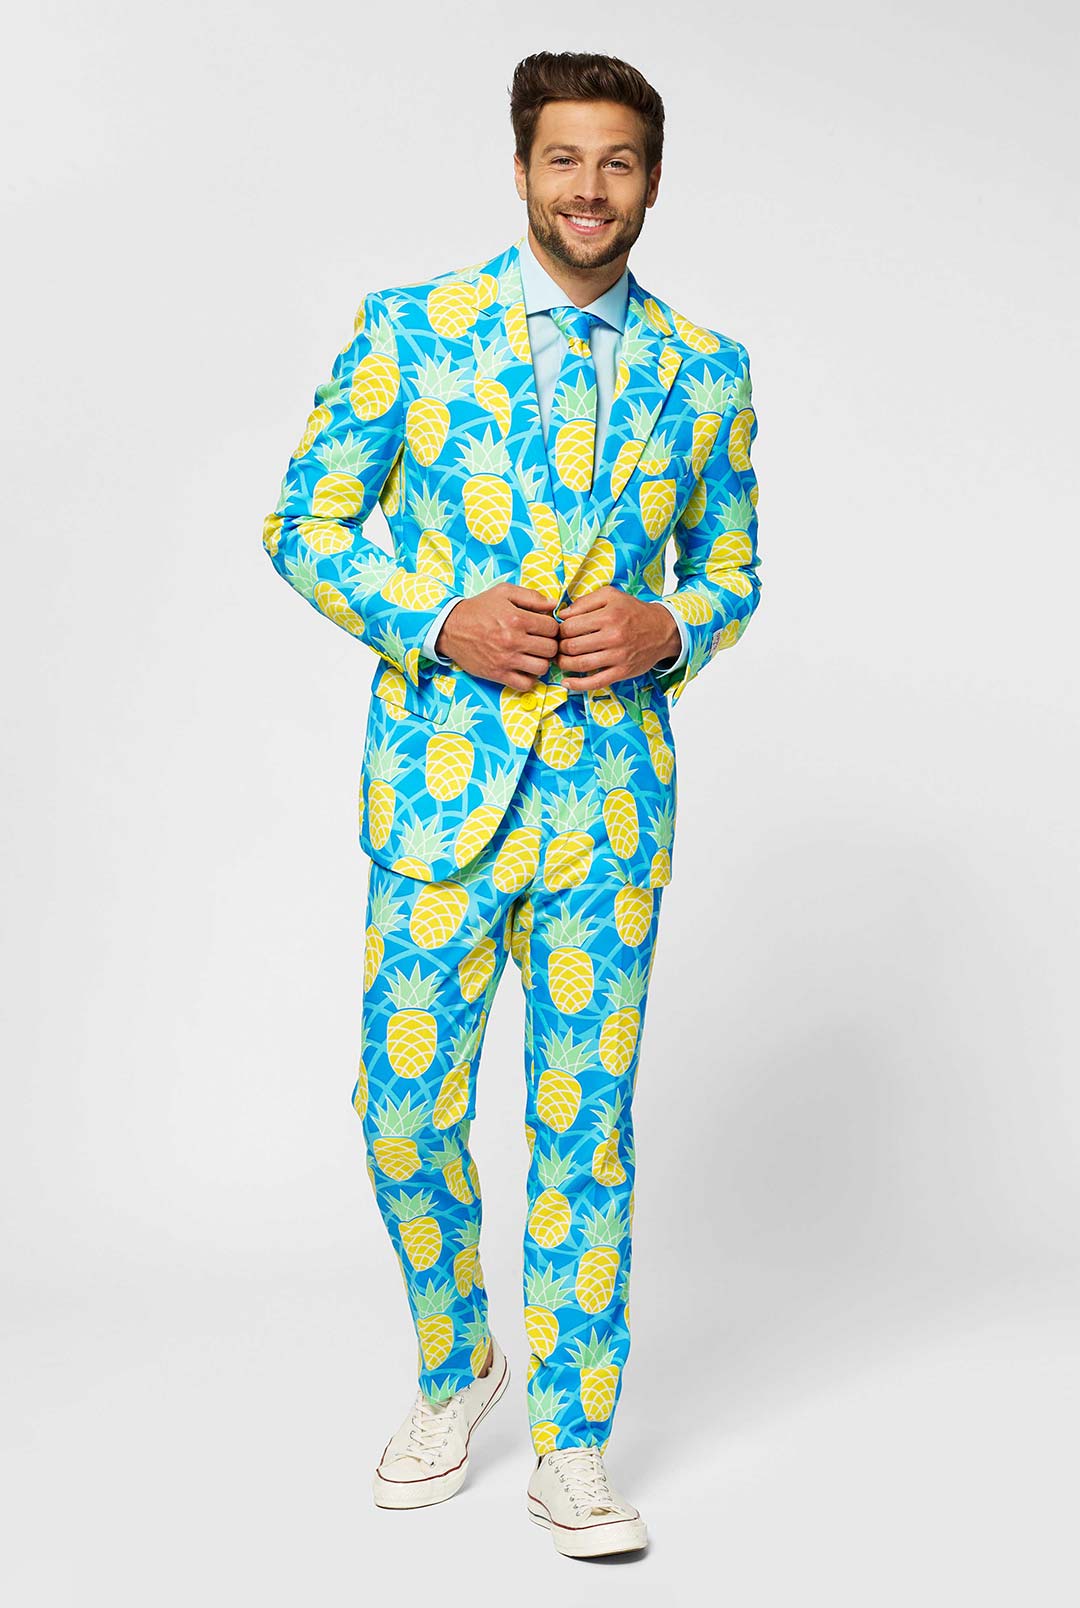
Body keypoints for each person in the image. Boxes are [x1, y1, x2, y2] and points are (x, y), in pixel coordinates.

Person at [262, 48, 761, 1559]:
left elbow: (730, 567)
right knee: (403, 1110)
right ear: (523, 169)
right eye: (564, 158)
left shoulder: (708, 368)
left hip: (609, 810)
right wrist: (435, 619)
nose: (588, 189)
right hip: (442, 799)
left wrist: (674, 628)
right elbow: (303, 521)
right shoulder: (412, 331)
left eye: (618, 162)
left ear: (652, 181)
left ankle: (574, 1444)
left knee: (581, 1128)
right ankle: (453, 1361)